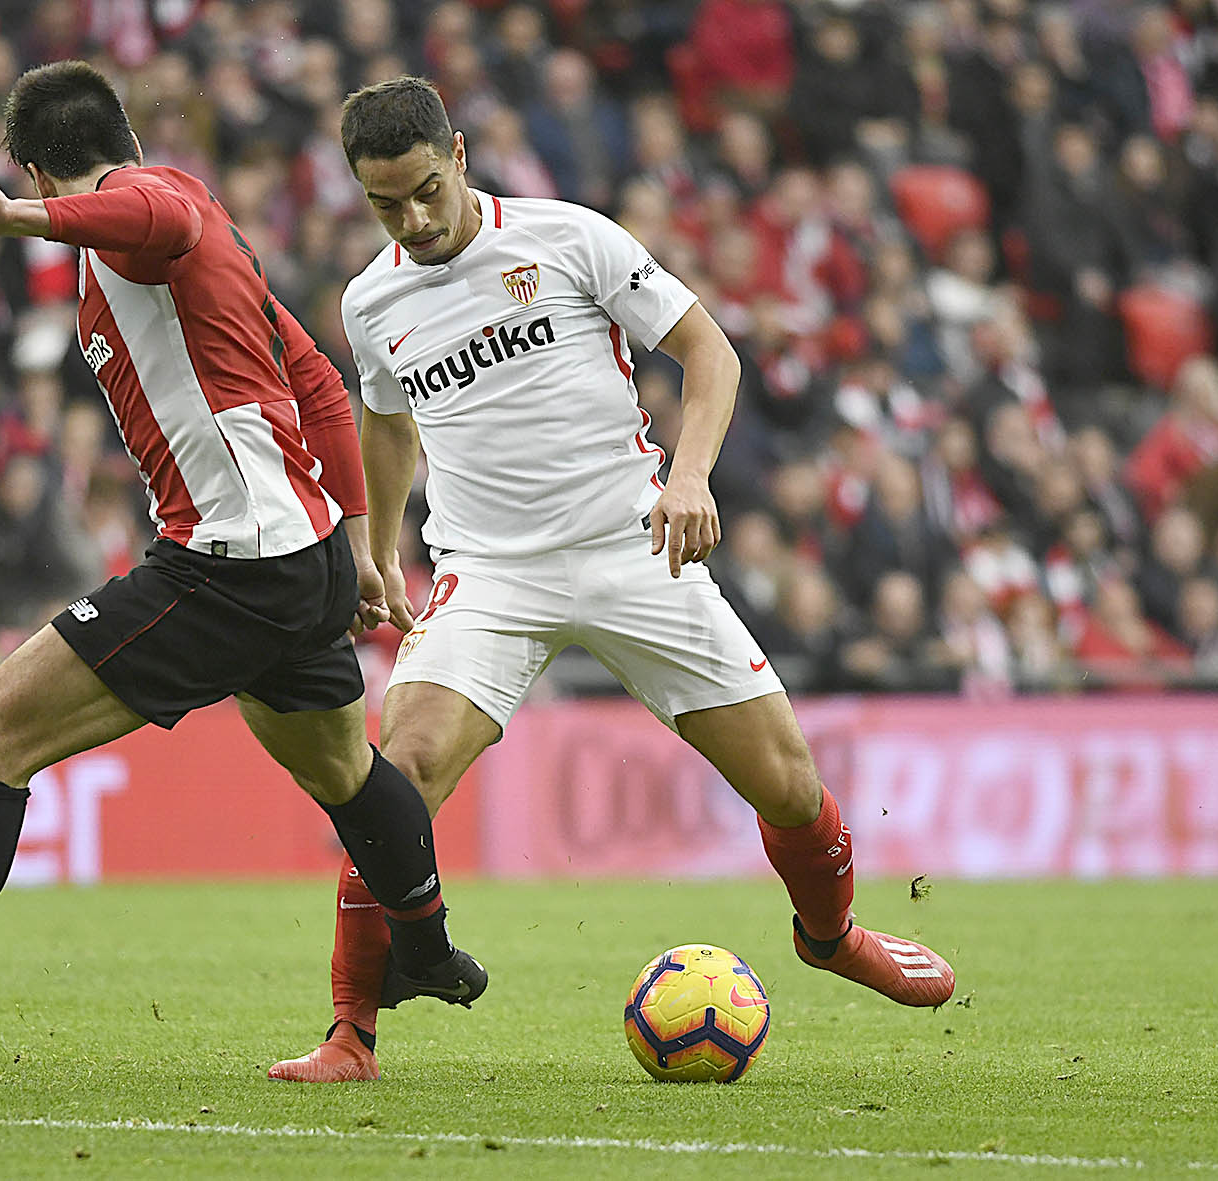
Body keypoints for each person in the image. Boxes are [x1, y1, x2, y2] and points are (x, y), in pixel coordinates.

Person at [0, 61, 485, 1090]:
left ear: (38, 170)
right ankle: (429, 946)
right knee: (347, 775)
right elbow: (311, 373)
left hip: (233, 558)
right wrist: (352, 538)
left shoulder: (159, 202)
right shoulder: (189, 220)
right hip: (294, 555)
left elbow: (141, 212)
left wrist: (13, 221)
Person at [269, 77, 955, 1084]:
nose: (410, 221)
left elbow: (707, 353)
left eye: (423, 191)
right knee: (393, 775)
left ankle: (831, 933)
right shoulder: (370, 300)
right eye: (384, 205)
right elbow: (385, 419)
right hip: (489, 572)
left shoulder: (568, 238)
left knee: (788, 784)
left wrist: (687, 476)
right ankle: (350, 1034)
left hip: (632, 546)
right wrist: (376, 545)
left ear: (458, 155)